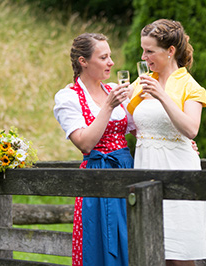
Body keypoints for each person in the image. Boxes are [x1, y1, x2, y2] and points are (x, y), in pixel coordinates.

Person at [127, 19, 206, 265]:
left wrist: (161, 96)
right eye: (143, 50)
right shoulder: (141, 82)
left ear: (170, 51)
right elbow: (129, 124)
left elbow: (191, 129)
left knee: (180, 252)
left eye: (150, 51)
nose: (144, 56)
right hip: (146, 167)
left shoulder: (190, 86)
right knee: (151, 248)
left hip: (178, 167)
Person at [53, 33, 135, 265]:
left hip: (127, 171)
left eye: (110, 56)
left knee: (132, 241)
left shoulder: (114, 90)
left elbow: (138, 130)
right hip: (96, 176)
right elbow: (85, 143)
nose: (111, 62)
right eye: (104, 57)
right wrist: (108, 106)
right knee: (98, 243)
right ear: (83, 61)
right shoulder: (69, 97)